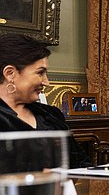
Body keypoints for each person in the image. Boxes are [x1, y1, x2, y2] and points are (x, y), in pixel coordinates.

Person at [0, 33, 92, 168]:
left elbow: (81, 164)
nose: (46, 82)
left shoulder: (52, 115)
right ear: (10, 73)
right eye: (40, 73)